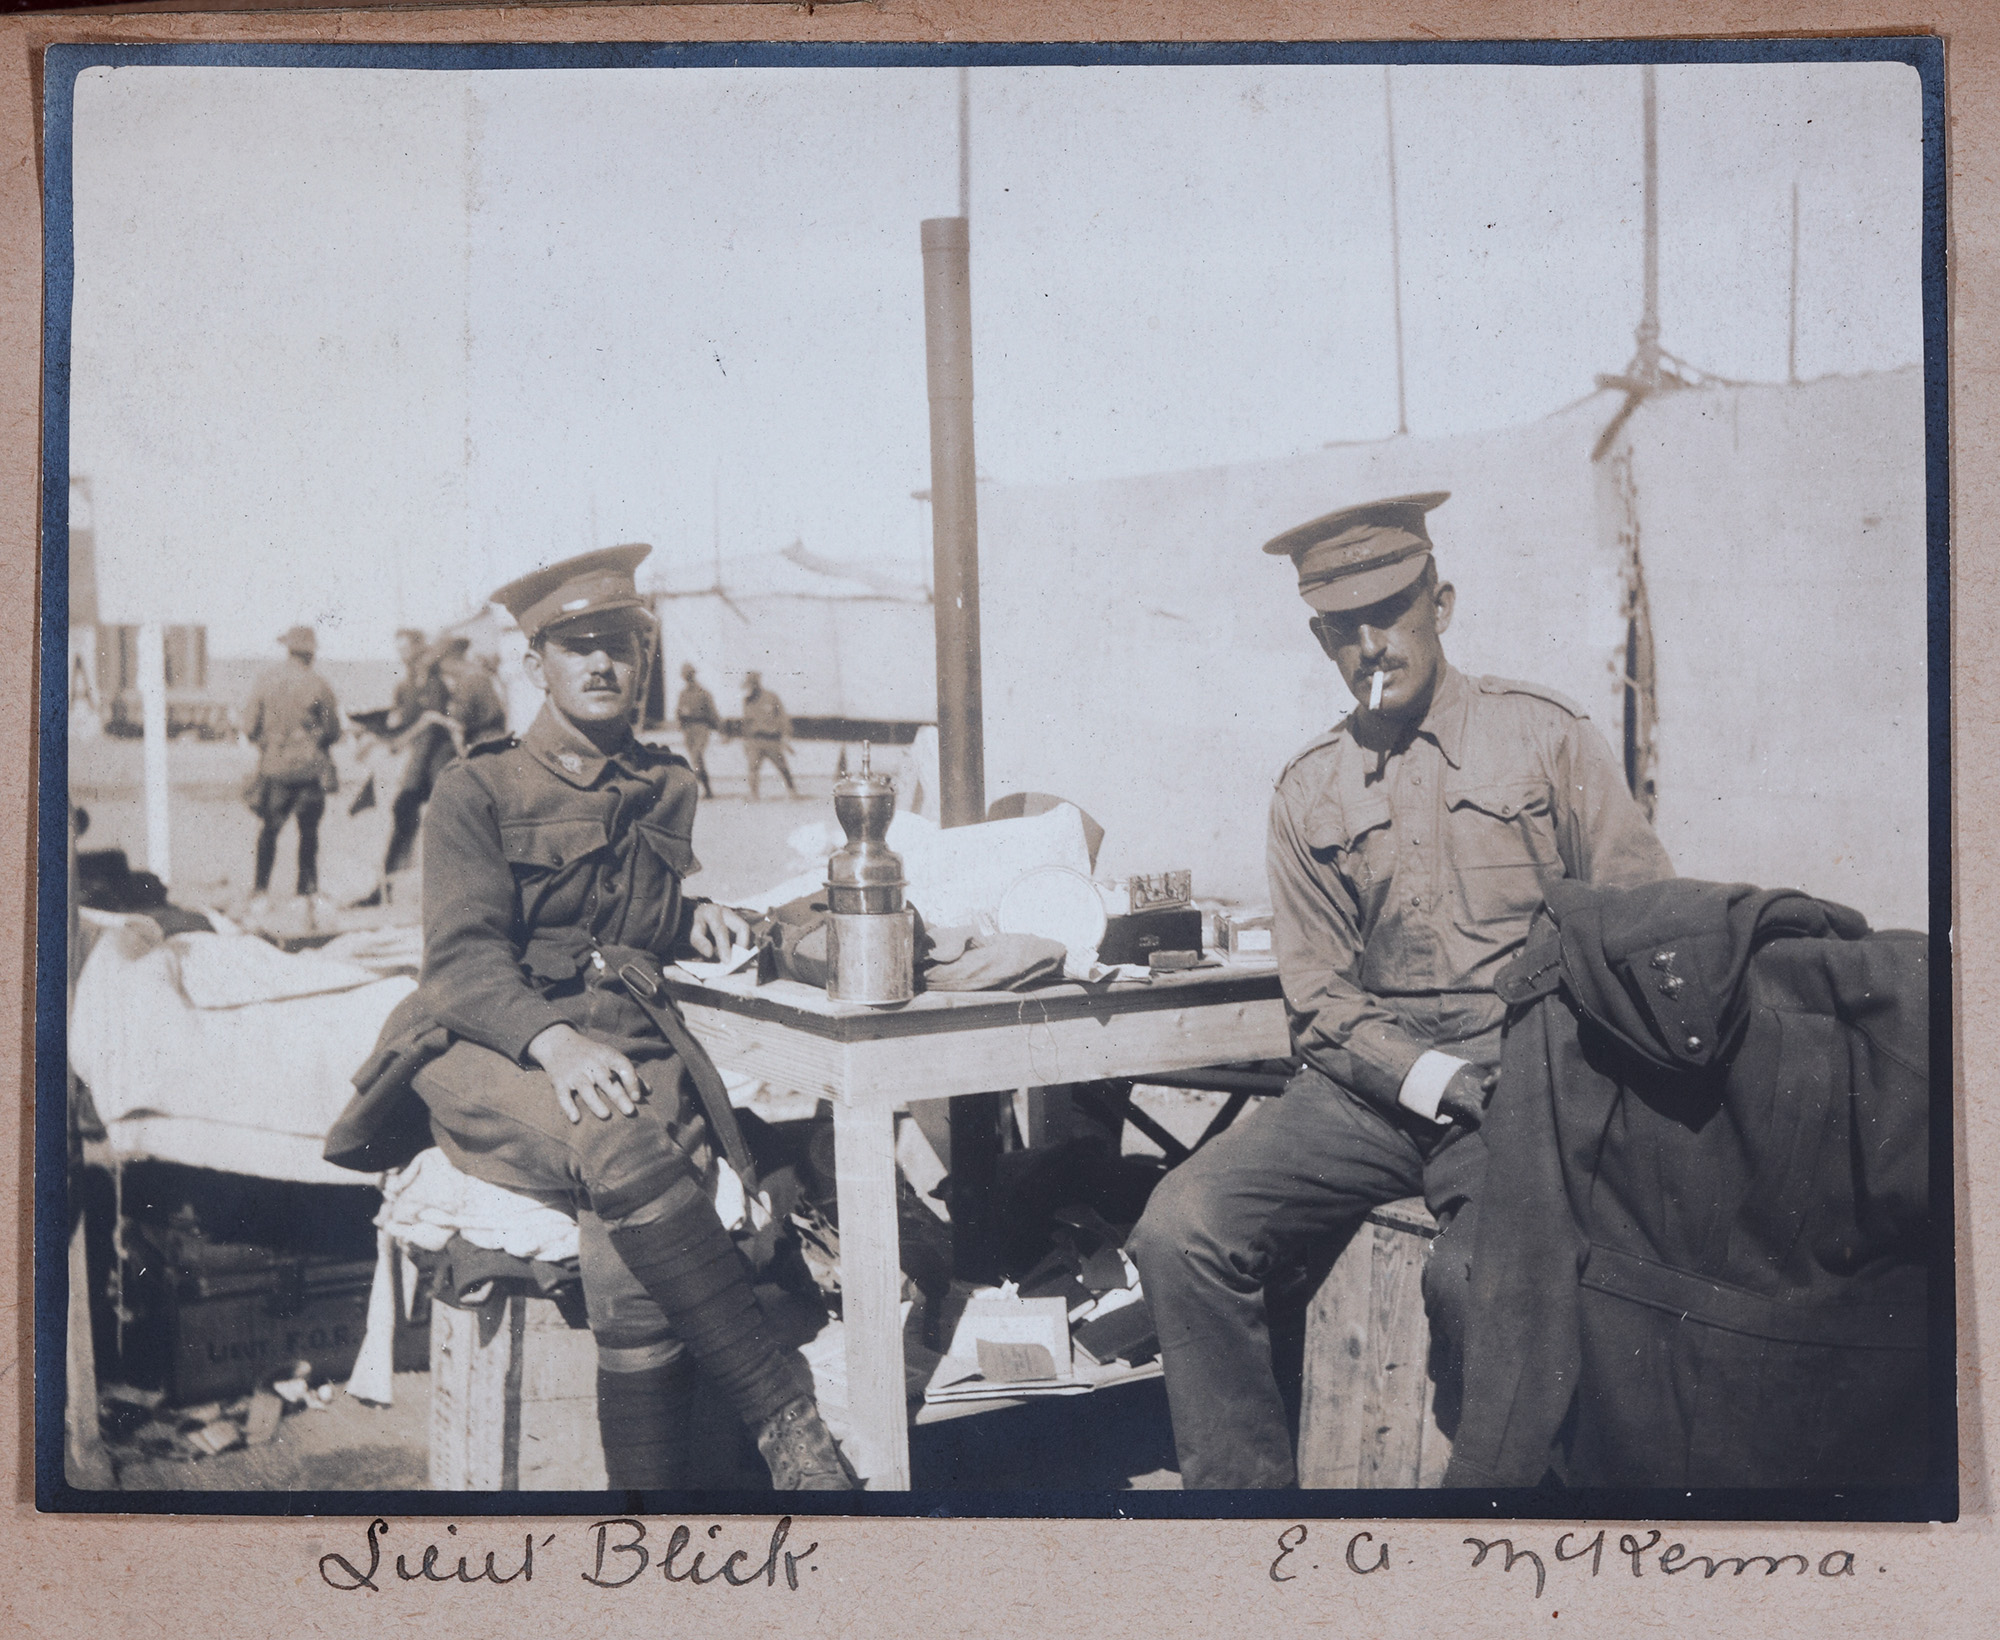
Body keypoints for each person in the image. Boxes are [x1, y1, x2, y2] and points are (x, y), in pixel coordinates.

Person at [1125, 491, 1674, 1489]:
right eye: (1343, 627)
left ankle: (1501, 1529)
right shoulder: (1308, 788)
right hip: (1368, 1090)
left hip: (1523, 1083)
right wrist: (1429, 1077)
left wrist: (1564, 1079)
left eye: (1389, 612)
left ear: (1441, 604)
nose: (1370, 644)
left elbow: (1639, 926)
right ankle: (1244, 1521)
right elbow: (1319, 1002)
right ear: (1319, 638)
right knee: (1181, 1226)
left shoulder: (1544, 737)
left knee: (1469, 1282)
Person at [325, 544, 856, 1491]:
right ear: (537, 665)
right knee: (620, 1140)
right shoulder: (478, 787)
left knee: (633, 1257)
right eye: (579, 647)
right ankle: (788, 1423)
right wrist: (555, 1041)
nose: (604, 663)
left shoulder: (665, 782)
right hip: (485, 1041)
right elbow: (461, 963)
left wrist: (693, 918)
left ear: (645, 656)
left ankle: (645, 1516)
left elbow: (621, 918)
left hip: (624, 1039)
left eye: (621, 643)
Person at [242, 624, 342, 920]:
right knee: (308, 834)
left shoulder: (265, 681)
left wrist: (270, 745)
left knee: (269, 831)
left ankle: (260, 891)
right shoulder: (319, 684)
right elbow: (333, 731)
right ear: (310, 653)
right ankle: (306, 894)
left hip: (274, 769)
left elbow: (249, 727)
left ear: (288, 649)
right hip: (309, 771)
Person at [739, 670, 801, 801]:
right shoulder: (747, 701)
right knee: (752, 768)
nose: (750, 688)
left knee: (782, 767)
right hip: (755, 740)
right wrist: (745, 741)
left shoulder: (771, 697)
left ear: (757, 684)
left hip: (772, 740)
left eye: (751, 684)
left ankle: (792, 791)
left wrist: (786, 736)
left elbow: (783, 717)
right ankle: (754, 794)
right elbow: (746, 723)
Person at [674, 663, 720, 798]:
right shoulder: (683, 694)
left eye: (689, 674)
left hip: (701, 727)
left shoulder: (703, 693)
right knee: (696, 760)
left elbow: (712, 712)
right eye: (685, 675)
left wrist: (720, 729)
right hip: (688, 729)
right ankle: (707, 790)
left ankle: (695, 789)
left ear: (693, 675)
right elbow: (678, 711)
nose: (687, 677)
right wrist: (680, 721)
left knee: (697, 755)